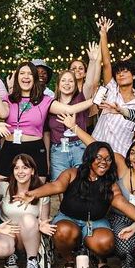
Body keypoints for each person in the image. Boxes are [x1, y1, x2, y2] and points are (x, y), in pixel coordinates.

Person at [16, 142, 135, 268]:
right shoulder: (72, 173)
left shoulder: (110, 183)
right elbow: (56, 186)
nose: (103, 162)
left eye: (108, 159)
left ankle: (97, 256)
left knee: (105, 242)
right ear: (89, 158)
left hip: (96, 222)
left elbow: (122, 203)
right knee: (63, 231)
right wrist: (33, 194)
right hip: (69, 218)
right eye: (98, 158)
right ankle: (69, 260)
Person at [56, 125, 135, 268]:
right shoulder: (122, 167)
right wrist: (75, 128)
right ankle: (126, 256)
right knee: (122, 246)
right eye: (132, 153)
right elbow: (97, 148)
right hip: (119, 217)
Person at [0, 62, 95, 178]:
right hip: (10, 147)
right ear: (17, 77)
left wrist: (94, 100)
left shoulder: (44, 100)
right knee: (4, 186)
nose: (26, 76)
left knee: (38, 188)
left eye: (30, 74)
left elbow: (70, 109)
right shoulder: (9, 99)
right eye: (22, 73)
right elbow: (2, 113)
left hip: (34, 148)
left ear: (35, 78)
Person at [91, 17, 135, 159]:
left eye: (125, 71)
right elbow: (107, 64)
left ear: (134, 75)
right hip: (96, 151)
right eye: (118, 72)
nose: (121, 75)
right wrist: (103, 34)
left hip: (120, 155)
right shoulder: (111, 89)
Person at [0, 154, 53, 268]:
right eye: (17, 168)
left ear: (32, 171)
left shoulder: (42, 192)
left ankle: (32, 260)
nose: (20, 171)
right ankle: (12, 254)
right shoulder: (4, 187)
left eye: (25, 167)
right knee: (0, 250)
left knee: (28, 218)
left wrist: (42, 225)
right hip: (8, 232)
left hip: (30, 234)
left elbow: (44, 220)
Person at [48, 44, 101, 181]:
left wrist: (93, 61)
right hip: (58, 150)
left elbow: (89, 83)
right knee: (59, 186)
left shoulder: (81, 98)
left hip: (79, 147)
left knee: (82, 184)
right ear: (58, 84)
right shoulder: (51, 103)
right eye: (64, 80)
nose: (67, 83)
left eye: (71, 81)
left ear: (75, 84)